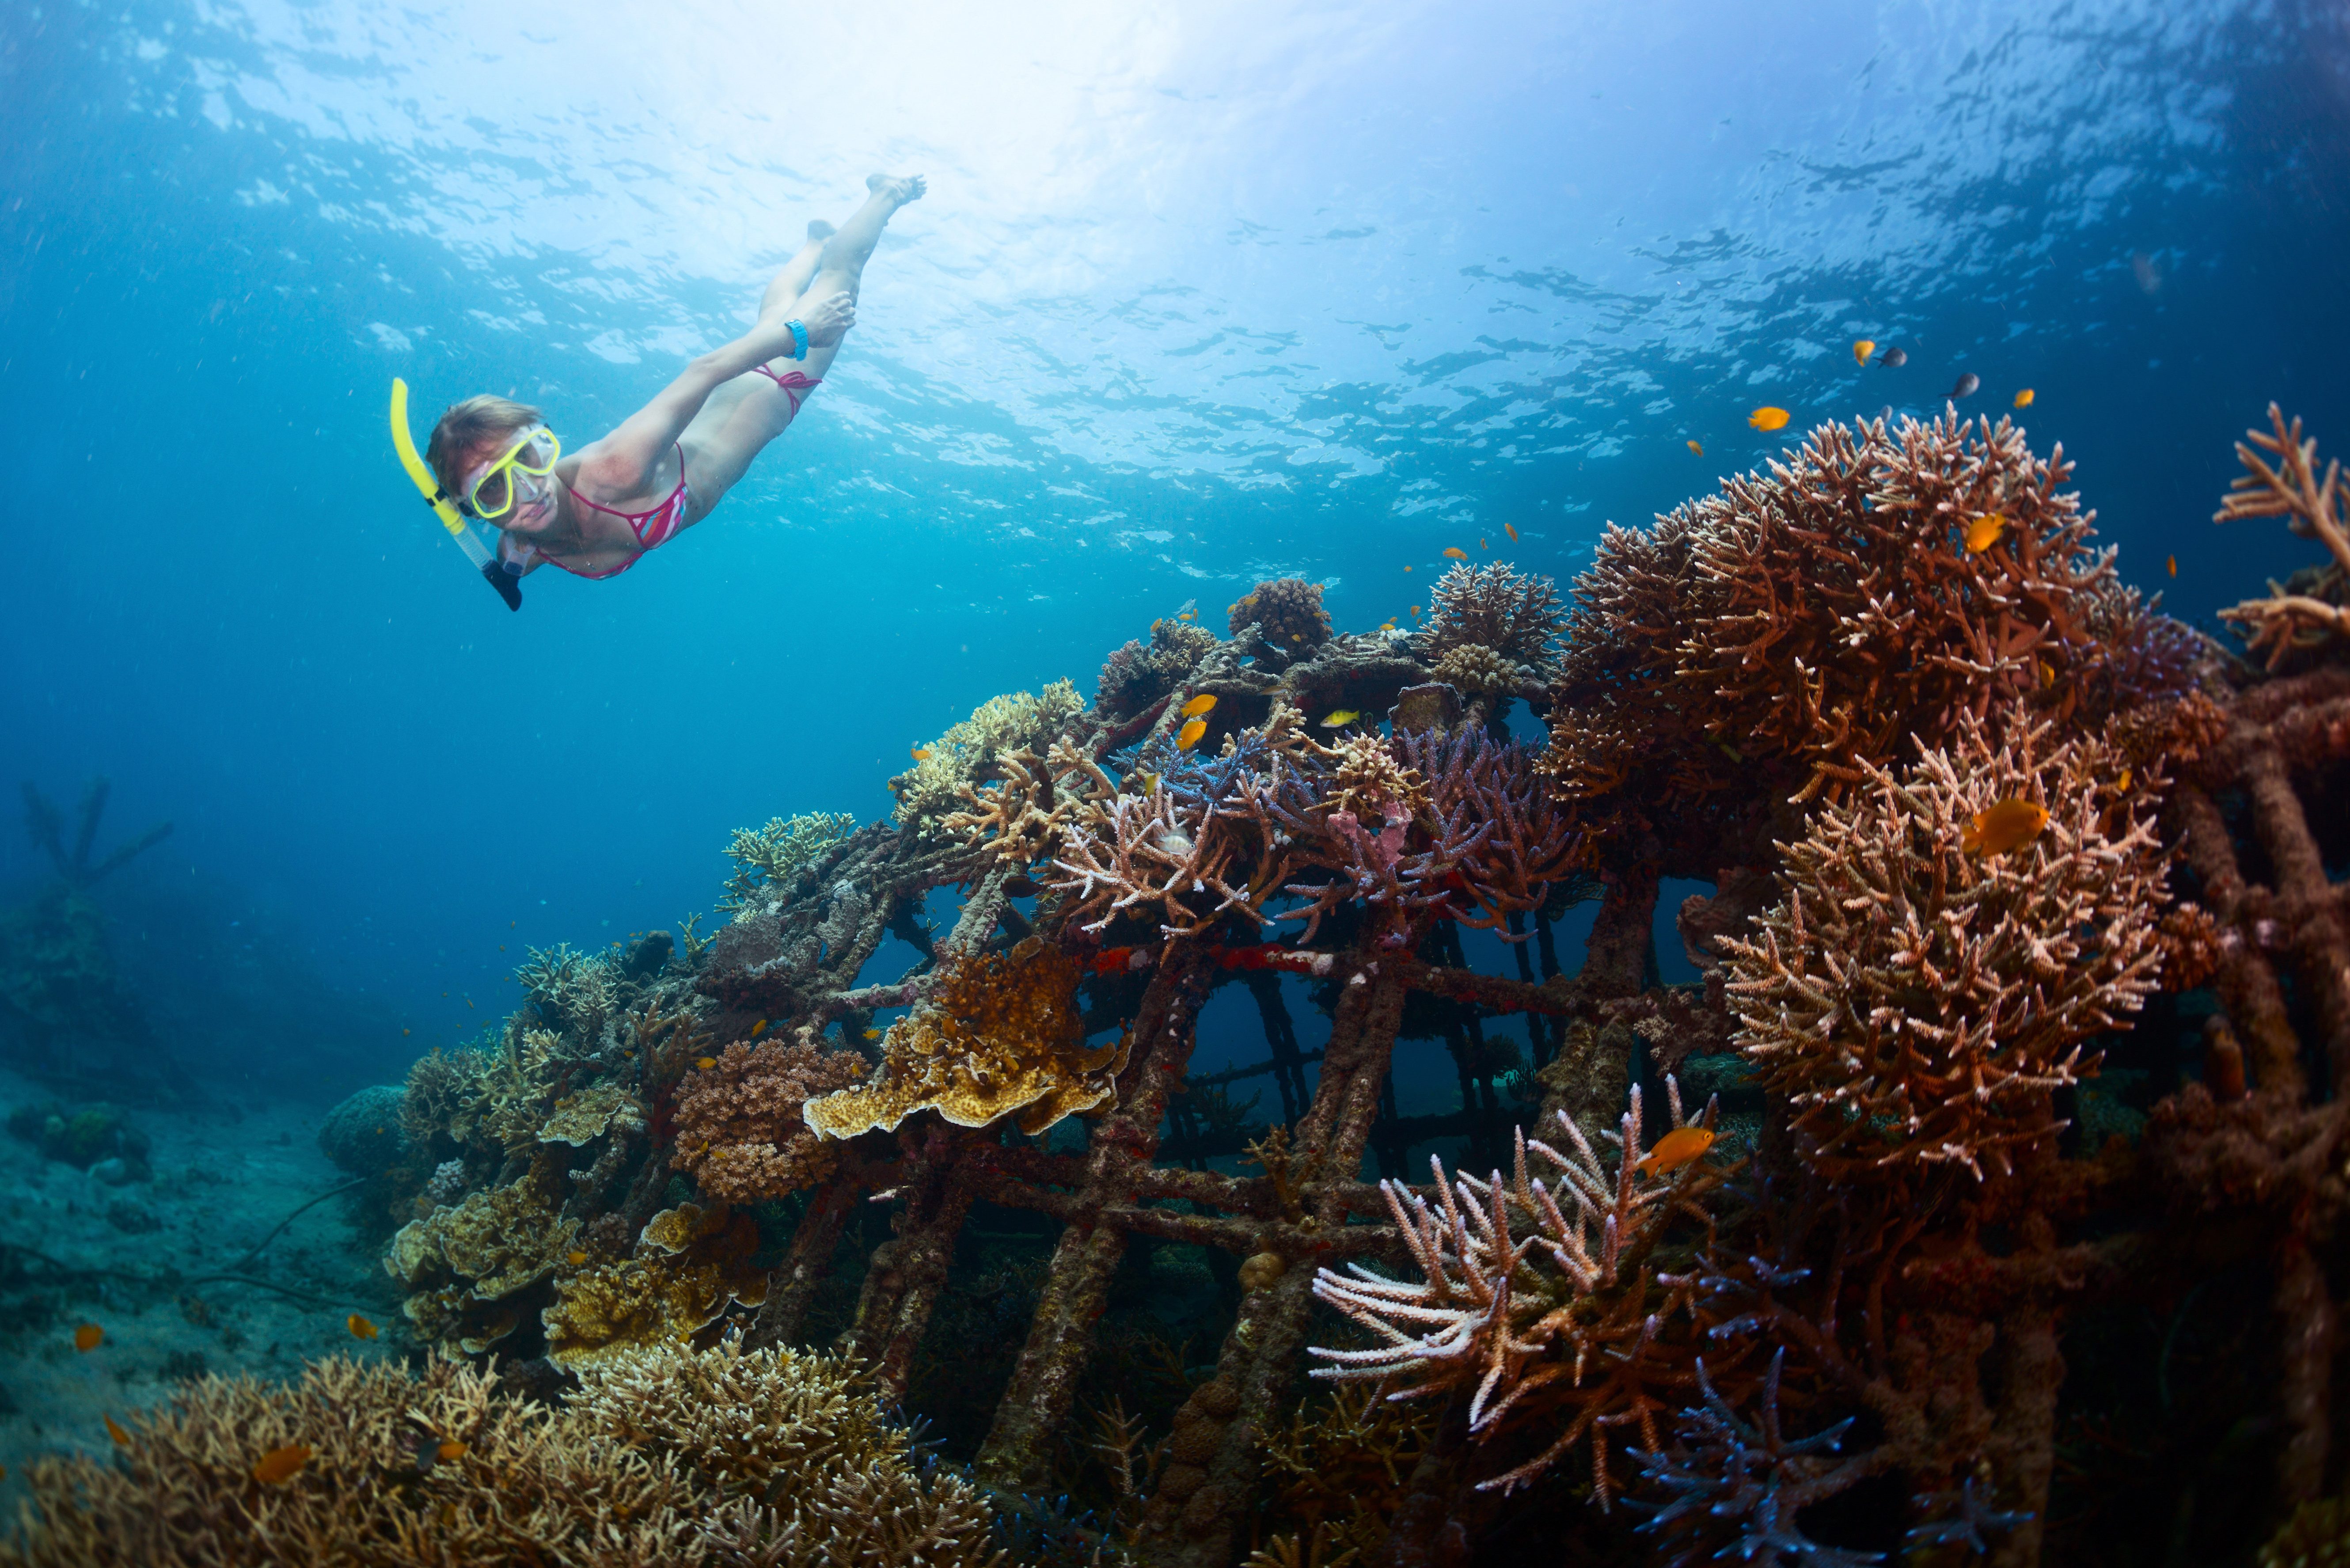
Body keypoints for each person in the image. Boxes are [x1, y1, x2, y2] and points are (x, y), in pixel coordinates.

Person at [422, 174, 924, 581]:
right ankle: (812, 245)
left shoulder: (614, 469)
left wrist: (801, 333)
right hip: (742, 382)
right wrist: (511, 568)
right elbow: (516, 562)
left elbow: (703, 372)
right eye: (494, 491)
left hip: (777, 380)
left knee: (842, 278)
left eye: (529, 460)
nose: (528, 492)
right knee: (770, 312)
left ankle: (886, 192)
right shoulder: (519, 544)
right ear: (472, 511)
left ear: (545, 446)